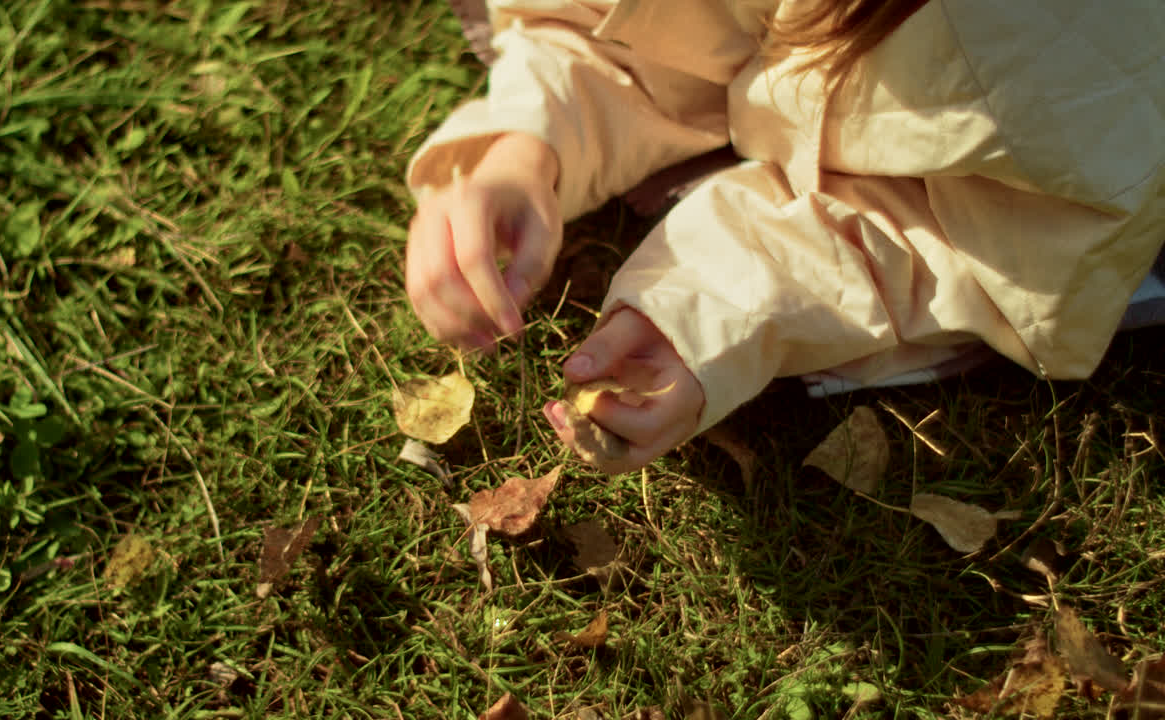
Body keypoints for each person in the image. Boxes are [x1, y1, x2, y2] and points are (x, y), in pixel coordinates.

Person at [404, 0, 1165, 474]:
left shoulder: (1066, 53)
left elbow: (963, 247)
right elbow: (626, 25)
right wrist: (528, 143)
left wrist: (728, 298)